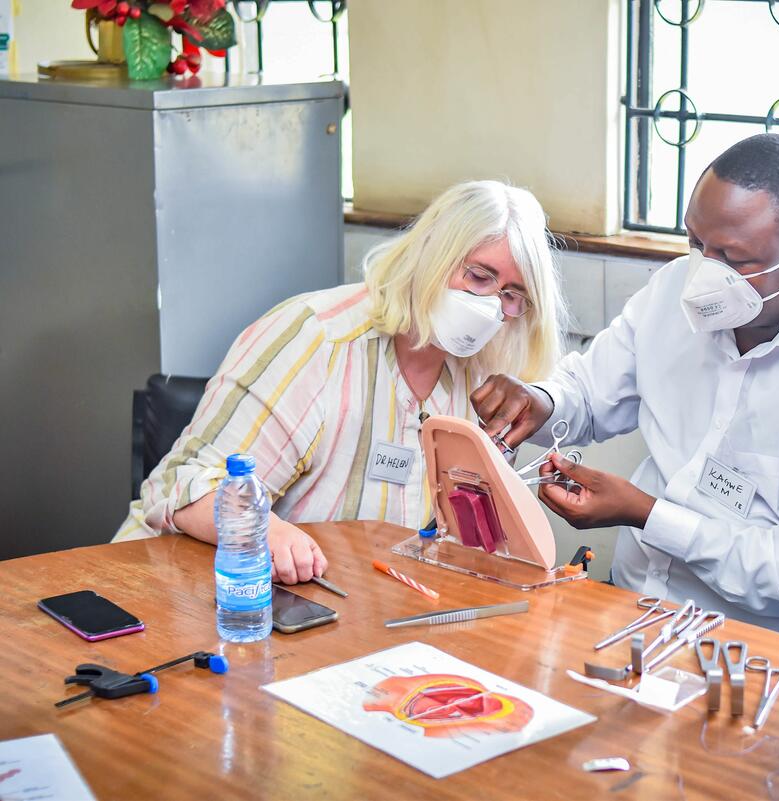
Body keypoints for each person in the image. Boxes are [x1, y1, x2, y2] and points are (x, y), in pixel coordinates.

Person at [471, 134, 779, 661]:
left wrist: (649, 515)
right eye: (696, 244)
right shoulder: (676, 289)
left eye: (734, 259)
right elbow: (588, 393)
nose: (703, 275)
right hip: (643, 606)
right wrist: (542, 402)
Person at [114, 180, 566, 584]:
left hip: (355, 613)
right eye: (479, 276)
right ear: (433, 255)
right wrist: (268, 530)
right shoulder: (317, 339)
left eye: (510, 296)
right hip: (187, 592)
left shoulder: (480, 378)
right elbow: (179, 486)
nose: (489, 305)